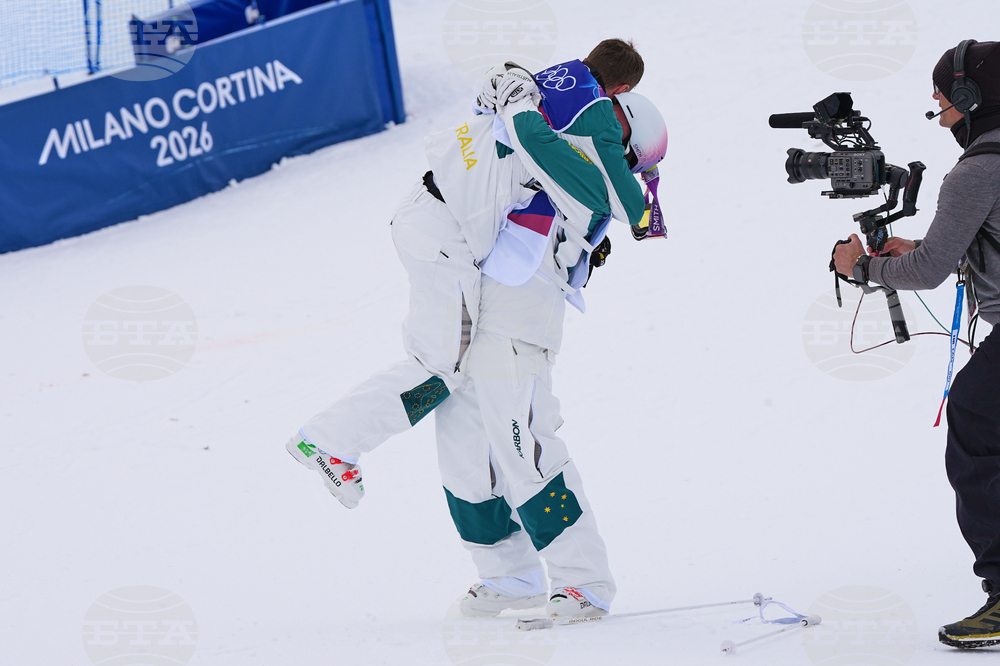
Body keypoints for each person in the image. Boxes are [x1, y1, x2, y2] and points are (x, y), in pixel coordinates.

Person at [284, 40, 649, 509]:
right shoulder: (588, 113)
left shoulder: (533, 79)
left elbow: (499, 88)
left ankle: (333, 440)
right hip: (447, 234)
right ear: (618, 89)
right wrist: (641, 190)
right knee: (439, 367)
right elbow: (626, 204)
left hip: (428, 211)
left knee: (449, 362)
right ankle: (328, 440)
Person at [444, 87, 667, 618]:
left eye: (613, 123)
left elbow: (533, 136)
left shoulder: (587, 178)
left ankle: (584, 582)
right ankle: (508, 574)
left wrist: (518, 97)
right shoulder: (549, 155)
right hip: (471, 315)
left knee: (527, 449)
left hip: (520, 320)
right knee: (466, 456)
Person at [833, 39, 1000, 649]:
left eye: (943, 96)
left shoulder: (976, 170)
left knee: (977, 427)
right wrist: (925, 251)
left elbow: (928, 273)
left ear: (970, 96)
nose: (938, 107)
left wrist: (861, 268)